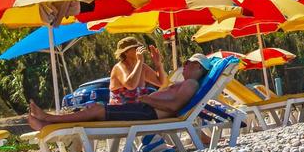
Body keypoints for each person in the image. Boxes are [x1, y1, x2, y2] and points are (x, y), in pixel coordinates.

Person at [26, 54, 207, 131]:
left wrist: (148, 100)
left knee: (96, 110)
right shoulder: (185, 83)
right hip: (144, 109)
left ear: (198, 66)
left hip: (147, 112)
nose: (183, 65)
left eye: (187, 63)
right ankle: (49, 121)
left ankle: (48, 121)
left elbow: (175, 106)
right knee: (95, 110)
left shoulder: (191, 84)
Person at [109, 37, 165, 105]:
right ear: (126, 52)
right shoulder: (119, 67)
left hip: (140, 110)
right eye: (136, 48)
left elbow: (161, 83)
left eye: (139, 48)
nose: (139, 50)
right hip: (121, 110)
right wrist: (139, 61)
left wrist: (158, 64)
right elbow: (131, 85)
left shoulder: (142, 66)